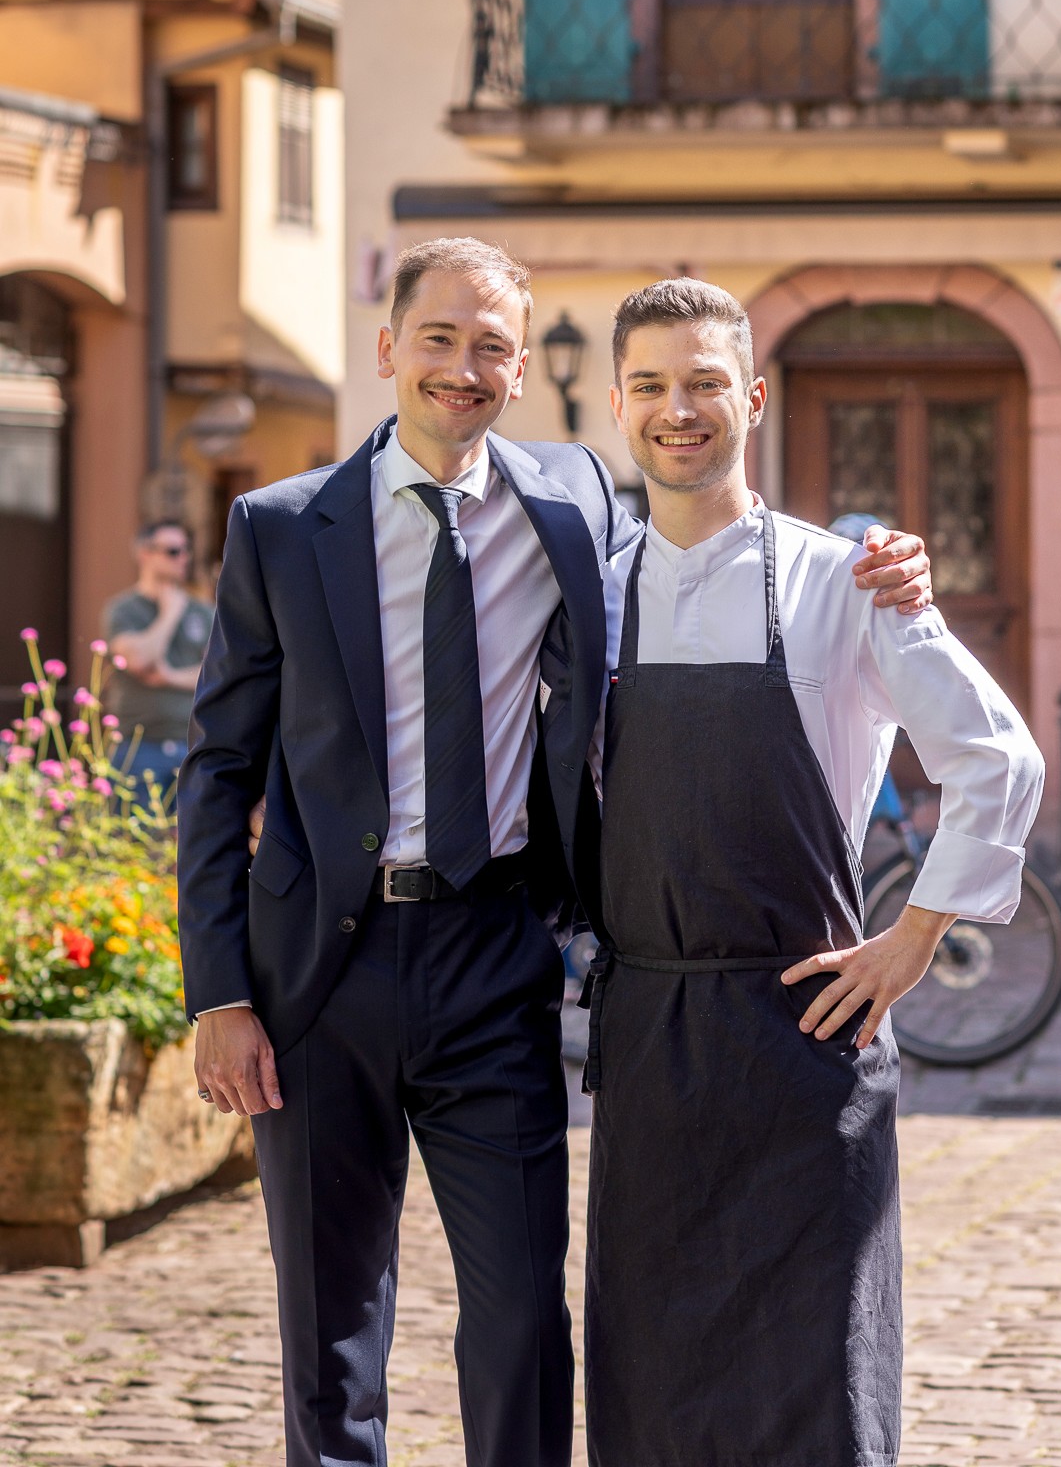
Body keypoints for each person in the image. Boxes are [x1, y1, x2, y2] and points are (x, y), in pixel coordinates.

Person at [176, 235, 934, 1467]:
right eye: (439, 337)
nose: (463, 367)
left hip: (494, 954)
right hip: (317, 970)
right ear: (389, 346)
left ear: (523, 368)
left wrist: (885, 560)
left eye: (491, 345)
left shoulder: (572, 503)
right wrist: (219, 991)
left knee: (526, 1314)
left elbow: (715, 548)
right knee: (330, 1330)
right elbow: (217, 769)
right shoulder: (280, 526)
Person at [583, 278, 1045, 1467]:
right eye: (650, 385)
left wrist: (914, 938)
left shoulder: (847, 579)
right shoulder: (591, 592)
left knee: (818, 1390)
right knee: (653, 1387)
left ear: (752, 398)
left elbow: (997, 758)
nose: (678, 409)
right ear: (617, 404)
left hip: (809, 1038)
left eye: (703, 382)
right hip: (649, 1040)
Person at [102, 520, 212, 790]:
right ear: (145, 553)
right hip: (138, 747)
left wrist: (169, 676)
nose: (183, 557)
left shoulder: (203, 611)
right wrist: (169, 614)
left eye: (186, 550)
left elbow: (217, 672)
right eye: (173, 551)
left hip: (194, 745)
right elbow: (139, 660)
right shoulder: (124, 610)